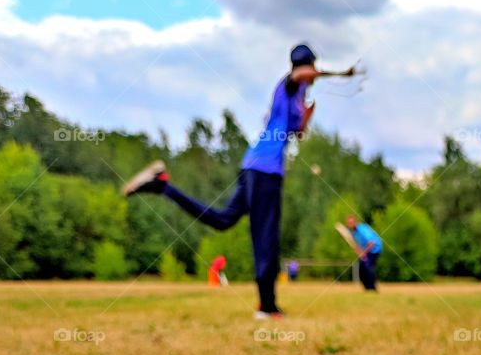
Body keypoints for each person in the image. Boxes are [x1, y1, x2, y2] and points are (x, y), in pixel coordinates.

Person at [121, 45, 354, 319]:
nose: (313, 75)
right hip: (265, 170)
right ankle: (267, 306)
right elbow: (299, 75)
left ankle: (162, 186)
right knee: (266, 236)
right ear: (309, 65)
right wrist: (338, 73)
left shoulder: (298, 96)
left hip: (256, 166)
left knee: (223, 220)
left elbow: (298, 134)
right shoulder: (288, 86)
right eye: (313, 68)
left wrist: (306, 117)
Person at [346, 214, 382, 292]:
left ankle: (372, 288)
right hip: (367, 250)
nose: (350, 224)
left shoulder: (362, 229)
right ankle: (367, 289)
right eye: (349, 223)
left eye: (351, 222)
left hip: (375, 249)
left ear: (355, 222)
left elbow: (371, 243)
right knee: (361, 269)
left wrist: (364, 253)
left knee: (368, 267)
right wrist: (359, 251)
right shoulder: (354, 233)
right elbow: (359, 245)